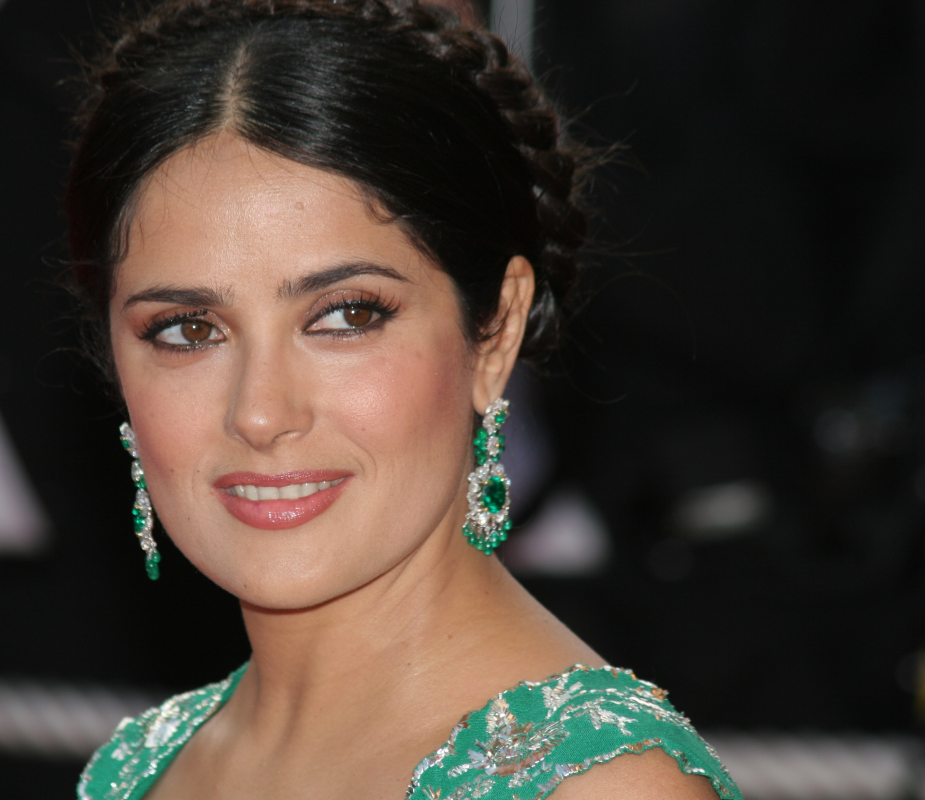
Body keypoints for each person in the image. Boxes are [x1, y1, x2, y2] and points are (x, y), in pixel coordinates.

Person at [62, 0, 741, 797]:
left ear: (495, 332)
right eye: (187, 330)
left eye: (346, 316)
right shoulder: (138, 769)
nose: (260, 412)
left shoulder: (602, 788)